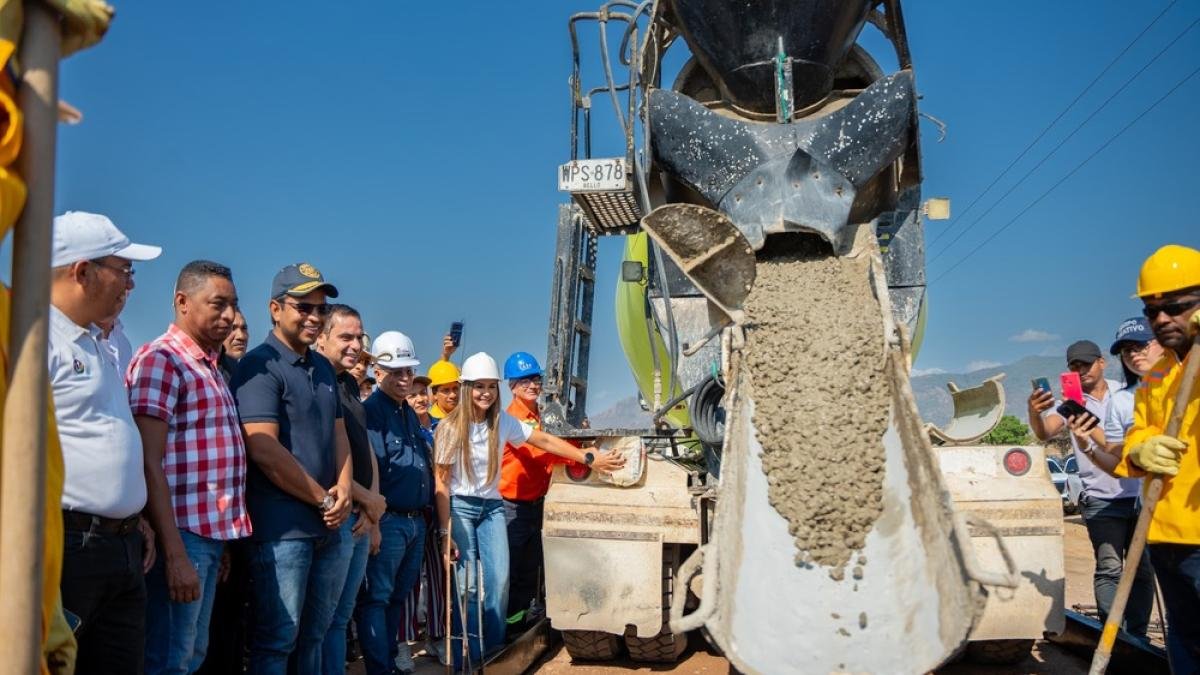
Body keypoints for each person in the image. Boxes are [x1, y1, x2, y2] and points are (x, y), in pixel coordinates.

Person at [434, 353, 625, 669]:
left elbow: (544, 440)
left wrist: (585, 456)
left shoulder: (502, 423)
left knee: (499, 581)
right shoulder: (449, 429)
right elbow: (441, 484)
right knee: (467, 586)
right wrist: (445, 532)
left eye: (490, 387)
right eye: (478, 386)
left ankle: (493, 655)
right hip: (462, 508)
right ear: (466, 388)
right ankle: (465, 656)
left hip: (493, 508)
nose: (485, 393)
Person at [48, 211, 161, 673]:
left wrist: (135, 517)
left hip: (122, 545)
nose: (131, 285)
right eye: (125, 270)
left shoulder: (101, 343)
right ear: (82, 271)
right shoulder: (33, 340)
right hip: (68, 549)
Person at [128, 261, 252, 675]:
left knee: (191, 654)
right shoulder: (162, 359)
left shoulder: (210, 367)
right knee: (168, 658)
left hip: (208, 538)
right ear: (182, 302)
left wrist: (222, 542)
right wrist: (175, 553)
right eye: (218, 304)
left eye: (233, 305)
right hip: (180, 535)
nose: (230, 316)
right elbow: (148, 461)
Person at [230, 263, 355, 674]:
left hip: (329, 527)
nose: (314, 317)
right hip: (283, 531)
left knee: (314, 637)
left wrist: (344, 490)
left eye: (320, 309)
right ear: (275, 309)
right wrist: (323, 498)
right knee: (277, 642)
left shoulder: (321, 367)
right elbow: (263, 451)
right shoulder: (259, 366)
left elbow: (339, 433)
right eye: (303, 307)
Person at [1112, 244, 1200, 670]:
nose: (1161, 319)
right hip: (1165, 533)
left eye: (1176, 307)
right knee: (1184, 643)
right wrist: (1140, 449)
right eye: (1152, 311)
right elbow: (1136, 431)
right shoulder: (1159, 373)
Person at [1028, 339, 1153, 636]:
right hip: (1100, 500)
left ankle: (1138, 636)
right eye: (1074, 366)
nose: (1080, 370)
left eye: (1085, 363)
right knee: (1109, 568)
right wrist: (1035, 412)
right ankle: (1114, 636)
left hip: (1139, 495)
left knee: (1142, 571)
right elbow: (1045, 432)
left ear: (1102, 363)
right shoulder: (1069, 404)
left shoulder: (1125, 394)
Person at [315, 304, 387, 674]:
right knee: (323, 621)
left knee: (341, 619)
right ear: (321, 337)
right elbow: (325, 457)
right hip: (339, 515)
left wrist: (373, 508)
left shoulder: (346, 384)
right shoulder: (316, 379)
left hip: (362, 517)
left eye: (359, 337)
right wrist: (364, 499)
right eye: (346, 337)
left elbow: (365, 451)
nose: (356, 344)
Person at [360, 331, 431, 674]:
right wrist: (373, 523)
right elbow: (371, 470)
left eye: (409, 372)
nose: (405, 378)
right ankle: (379, 667)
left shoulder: (406, 413)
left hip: (415, 522)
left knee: (396, 598)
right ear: (377, 372)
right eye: (397, 372)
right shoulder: (371, 412)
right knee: (377, 599)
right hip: (388, 521)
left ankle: (386, 661)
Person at [498, 352, 574, 625]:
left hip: (534, 504)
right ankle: (504, 627)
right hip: (512, 507)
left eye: (535, 379)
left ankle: (517, 623)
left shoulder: (540, 415)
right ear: (512, 386)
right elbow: (540, 453)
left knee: (530, 569)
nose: (532, 385)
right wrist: (580, 455)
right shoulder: (514, 419)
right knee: (512, 569)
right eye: (524, 381)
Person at [199, 307, 251, 675]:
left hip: (239, 519)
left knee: (232, 615)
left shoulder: (243, 374)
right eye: (231, 327)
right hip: (200, 522)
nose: (238, 333)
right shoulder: (205, 369)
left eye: (244, 327)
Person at [398, 373, 447, 662]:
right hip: (411, 511)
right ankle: (403, 641)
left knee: (440, 577)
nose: (419, 399)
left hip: (437, 510)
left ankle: (437, 637)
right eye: (413, 394)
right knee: (409, 578)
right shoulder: (401, 427)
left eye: (423, 393)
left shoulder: (441, 428)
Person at [428, 335, 461, 420]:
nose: (453, 395)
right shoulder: (429, 424)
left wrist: (446, 355)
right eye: (446, 390)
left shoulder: (465, 419)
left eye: (455, 388)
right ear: (434, 394)